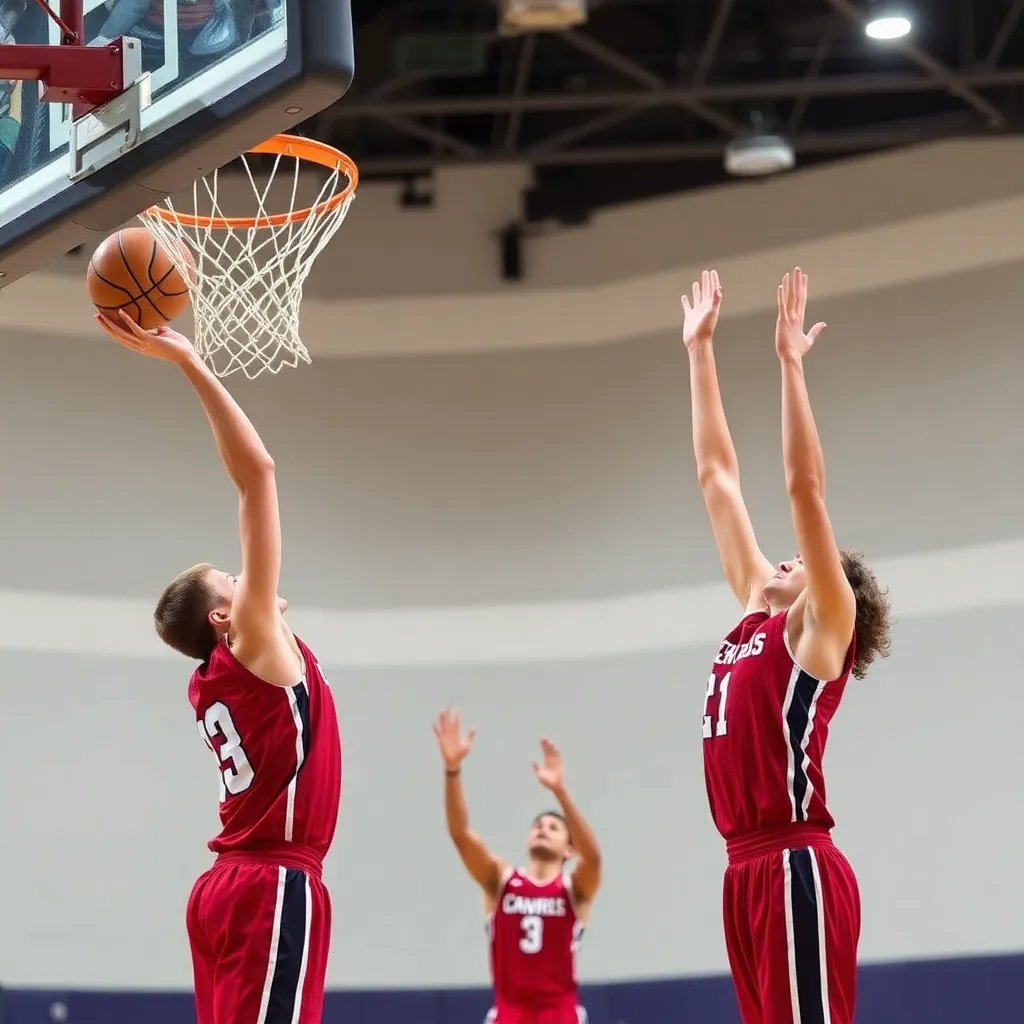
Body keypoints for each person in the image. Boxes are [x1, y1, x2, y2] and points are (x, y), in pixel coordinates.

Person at [96, 310, 342, 1024]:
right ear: (223, 621)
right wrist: (188, 361)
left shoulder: (216, 678)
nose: (246, 576)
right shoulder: (253, 646)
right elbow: (257, 476)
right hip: (271, 881)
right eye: (232, 580)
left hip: (225, 889)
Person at [682, 269, 892, 1024]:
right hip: (743, 869)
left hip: (795, 859)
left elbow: (804, 488)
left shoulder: (819, 627)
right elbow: (717, 479)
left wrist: (788, 364)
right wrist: (699, 352)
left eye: (804, 560)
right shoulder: (755, 615)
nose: (786, 558)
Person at [433, 708, 602, 1024]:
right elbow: (460, 835)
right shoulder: (500, 880)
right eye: (537, 825)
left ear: (569, 848)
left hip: (559, 1013)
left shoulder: (574, 889)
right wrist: (452, 770)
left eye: (553, 827)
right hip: (509, 1012)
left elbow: (593, 858)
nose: (542, 829)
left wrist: (560, 792)